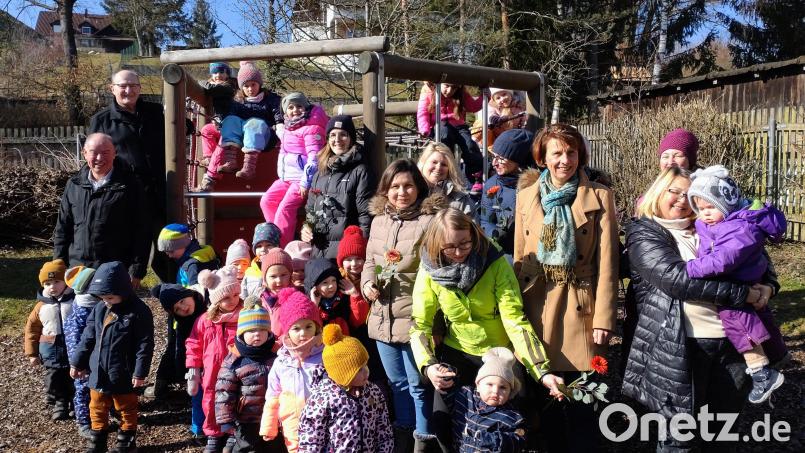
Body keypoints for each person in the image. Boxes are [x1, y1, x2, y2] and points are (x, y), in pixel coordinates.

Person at [623, 167, 778, 450]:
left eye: (689, 194)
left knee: (723, 433)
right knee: (679, 437)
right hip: (680, 346)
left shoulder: (716, 222)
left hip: (733, 344)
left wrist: (769, 286)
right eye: (674, 191)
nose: (682, 200)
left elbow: (757, 258)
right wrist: (744, 294)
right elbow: (678, 281)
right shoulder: (644, 232)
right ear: (658, 192)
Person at [512, 123, 619, 452]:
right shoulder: (526, 196)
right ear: (542, 157)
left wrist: (604, 318)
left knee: (583, 404)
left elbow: (608, 263)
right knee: (546, 406)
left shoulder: (600, 196)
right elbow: (519, 257)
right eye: (557, 153)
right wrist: (514, 314)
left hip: (580, 305)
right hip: (537, 302)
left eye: (571, 152)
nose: (565, 160)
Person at [410, 208, 552, 451]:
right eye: (450, 247)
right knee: (443, 423)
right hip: (458, 351)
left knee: (517, 423)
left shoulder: (494, 261)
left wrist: (541, 369)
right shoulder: (429, 269)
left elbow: (514, 319)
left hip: (499, 354)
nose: (458, 253)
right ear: (436, 246)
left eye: (465, 244)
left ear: (474, 235)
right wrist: (428, 365)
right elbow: (419, 324)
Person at [685, 165, 788, 403]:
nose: (704, 214)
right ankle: (776, 354)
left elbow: (722, 260)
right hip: (743, 278)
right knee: (759, 316)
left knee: (738, 322)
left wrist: (690, 267)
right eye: (699, 209)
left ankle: (761, 371)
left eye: (710, 207)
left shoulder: (739, 229)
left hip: (738, 279)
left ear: (726, 204)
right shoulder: (720, 223)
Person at [361, 159, 445, 450]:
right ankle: (403, 438)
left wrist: (436, 325)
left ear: (418, 187)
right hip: (382, 316)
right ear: (386, 189)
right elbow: (370, 261)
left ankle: (423, 442)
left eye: (408, 185)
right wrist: (368, 284)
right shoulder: (379, 221)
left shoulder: (430, 222)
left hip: (415, 318)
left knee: (418, 385)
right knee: (396, 384)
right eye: (395, 186)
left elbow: (438, 272)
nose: (401, 192)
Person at [88, 69, 173, 283]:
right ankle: (122, 290)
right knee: (128, 245)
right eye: (123, 86)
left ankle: (170, 291)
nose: (129, 90)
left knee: (165, 245)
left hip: (159, 192)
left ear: (140, 88)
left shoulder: (156, 113)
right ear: (112, 89)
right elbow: (94, 158)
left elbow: (180, 129)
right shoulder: (102, 121)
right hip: (125, 195)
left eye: (133, 85)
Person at [69, 261, 155, 453]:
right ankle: (97, 442)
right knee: (97, 407)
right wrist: (77, 362)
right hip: (98, 370)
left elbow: (145, 344)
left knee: (126, 407)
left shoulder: (139, 312)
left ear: (123, 291)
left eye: (109, 297)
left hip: (122, 371)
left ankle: (126, 442)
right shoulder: (100, 308)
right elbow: (88, 337)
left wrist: (139, 372)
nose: (105, 301)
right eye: (101, 297)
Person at [53, 133, 151, 289]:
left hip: (114, 270)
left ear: (114, 153)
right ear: (84, 153)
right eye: (94, 152)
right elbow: (63, 228)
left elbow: (142, 230)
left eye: (105, 152)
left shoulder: (130, 186)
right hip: (78, 269)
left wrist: (136, 270)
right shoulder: (74, 185)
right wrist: (58, 264)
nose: (99, 158)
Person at [297, 324, 393, 453]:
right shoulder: (322, 399)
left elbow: (384, 430)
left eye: (366, 365)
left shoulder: (373, 392)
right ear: (343, 374)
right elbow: (311, 440)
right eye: (359, 370)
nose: (366, 371)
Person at [185, 265, 243, 453]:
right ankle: (213, 434)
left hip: (237, 369)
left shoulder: (244, 315)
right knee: (210, 401)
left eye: (236, 295)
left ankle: (233, 432)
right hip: (212, 372)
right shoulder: (205, 320)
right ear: (216, 299)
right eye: (226, 297)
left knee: (236, 399)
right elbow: (194, 344)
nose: (233, 300)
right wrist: (193, 370)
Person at [259, 288, 324, 452]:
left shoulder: (326, 356)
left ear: (316, 327)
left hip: (323, 422)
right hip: (292, 424)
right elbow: (273, 394)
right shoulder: (282, 361)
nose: (303, 333)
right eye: (296, 328)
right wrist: (269, 425)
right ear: (287, 331)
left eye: (308, 326)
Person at [260, 92, 329, 245]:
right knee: (267, 200)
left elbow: (314, 157)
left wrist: (305, 181)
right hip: (287, 177)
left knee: (285, 207)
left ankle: (282, 245)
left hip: (301, 179)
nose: (295, 110)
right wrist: (281, 174)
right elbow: (283, 153)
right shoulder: (288, 128)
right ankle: (274, 236)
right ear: (285, 112)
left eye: (299, 106)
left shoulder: (312, 128)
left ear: (306, 108)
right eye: (291, 107)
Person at [301, 115, 374, 259]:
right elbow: (311, 210)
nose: (337, 139)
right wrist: (307, 227)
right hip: (319, 252)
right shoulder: (319, 173)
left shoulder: (360, 171)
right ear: (328, 139)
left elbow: (365, 217)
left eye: (343, 135)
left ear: (351, 139)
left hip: (347, 255)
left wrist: (360, 249)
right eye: (333, 135)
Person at [215, 302, 278, 452]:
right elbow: (224, 390)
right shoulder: (235, 359)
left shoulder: (277, 354)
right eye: (251, 331)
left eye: (262, 330)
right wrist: (226, 418)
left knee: (274, 446)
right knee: (247, 446)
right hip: (247, 418)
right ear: (241, 334)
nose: (257, 334)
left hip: (273, 415)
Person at [150, 283, 207, 439]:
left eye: (182, 301)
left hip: (217, 358)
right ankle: (199, 429)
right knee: (198, 396)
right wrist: (182, 370)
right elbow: (181, 348)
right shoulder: (183, 323)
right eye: (177, 309)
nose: (183, 308)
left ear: (189, 294)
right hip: (198, 363)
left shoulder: (209, 304)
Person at [24, 259, 74, 421]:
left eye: (57, 282)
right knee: (54, 376)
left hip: (72, 346)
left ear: (66, 281)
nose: (52, 287)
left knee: (73, 374)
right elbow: (32, 329)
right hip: (50, 348)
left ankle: (75, 401)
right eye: (47, 283)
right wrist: (32, 353)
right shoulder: (41, 306)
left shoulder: (75, 300)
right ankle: (60, 402)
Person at [451, 348, 526, 453]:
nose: (495, 391)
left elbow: (519, 440)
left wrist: (494, 440)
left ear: (510, 392)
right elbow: (446, 399)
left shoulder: (511, 416)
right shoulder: (465, 397)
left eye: (503, 387)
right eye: (490, 384)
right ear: (478, 385)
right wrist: (447, 378)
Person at [217, 61, 283, 180]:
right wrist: (221, 122)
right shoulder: (237, 101)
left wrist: (280, 126)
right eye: (246, 86)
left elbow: (278, 114)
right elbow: (231, 117)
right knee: (230, 120)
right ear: (241, 87)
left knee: (254, 123)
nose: (250, 89)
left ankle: (249, 167)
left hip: (265, 136)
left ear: (259, 84)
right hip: (243, 137)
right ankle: (230, 161)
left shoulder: (270, 98)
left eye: (253, 84)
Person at [480, 129, 535, 256]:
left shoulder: (535, 186)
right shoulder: (491, 184)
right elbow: (485, 221)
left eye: (501, 158)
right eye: (493, 156)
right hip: (502, 253)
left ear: (518, 160)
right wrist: (496, 237)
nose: (494, 163)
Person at [417, 83, 484, 184]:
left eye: (454, 88)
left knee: (470, 145)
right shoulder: (429, 92)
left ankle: (475, 177)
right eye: (447, 86)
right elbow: (422, 112)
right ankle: (446, 172)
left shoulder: (461, 94)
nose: (449, 91)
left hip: (458, 125)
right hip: (440, 125)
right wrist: (424, 129)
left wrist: (484, 95)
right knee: (444, 138)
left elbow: (473, 107)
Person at [63, 266, 99, 439]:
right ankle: (83, 421)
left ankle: (106, 411)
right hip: (83, 359)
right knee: (83, 388)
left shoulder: (95, 303)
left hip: (97, 355)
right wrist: (78, 363)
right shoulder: (82, 311)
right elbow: (74, 342)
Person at [305, 258, 369, 336]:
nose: (331, 285)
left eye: (333, 280)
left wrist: (355, 294)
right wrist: (314, 306)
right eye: (325, 283)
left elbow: (359, 321)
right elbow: (313, 329)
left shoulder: (343, 299)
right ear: (314, 287)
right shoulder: (311, 305)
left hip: (347, 341)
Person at [197, 62, 237, 178]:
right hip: (220, 123)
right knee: (206, 130)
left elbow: (211, 89)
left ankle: (229, 163)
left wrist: (200, 82)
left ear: (227, 75)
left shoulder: (229, 87)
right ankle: (209, 157)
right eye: (214, 73)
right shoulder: (218, 86)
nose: (218, 75)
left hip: (231, 124)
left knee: (228, 142)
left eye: (221, 72)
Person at [417, 142, 476, 215]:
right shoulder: (411, 194)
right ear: (423, 163)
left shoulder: (461, 200)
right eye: (434, 162)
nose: (438, 168)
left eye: (444, 164)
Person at [259, 248, 295, 337]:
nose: (279, 280)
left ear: (290, 275)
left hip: (287, 343)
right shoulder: (260, 301)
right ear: (265, 278)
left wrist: (282, 341)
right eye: (273, 276)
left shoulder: (295, 299)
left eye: (283, 275)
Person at [241, 222, 281, 299]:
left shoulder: (282, 269)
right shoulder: (250, 272)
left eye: (268, 245)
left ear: (277, 247)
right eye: (259, 246)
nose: (263, 249)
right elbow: (243, 296)